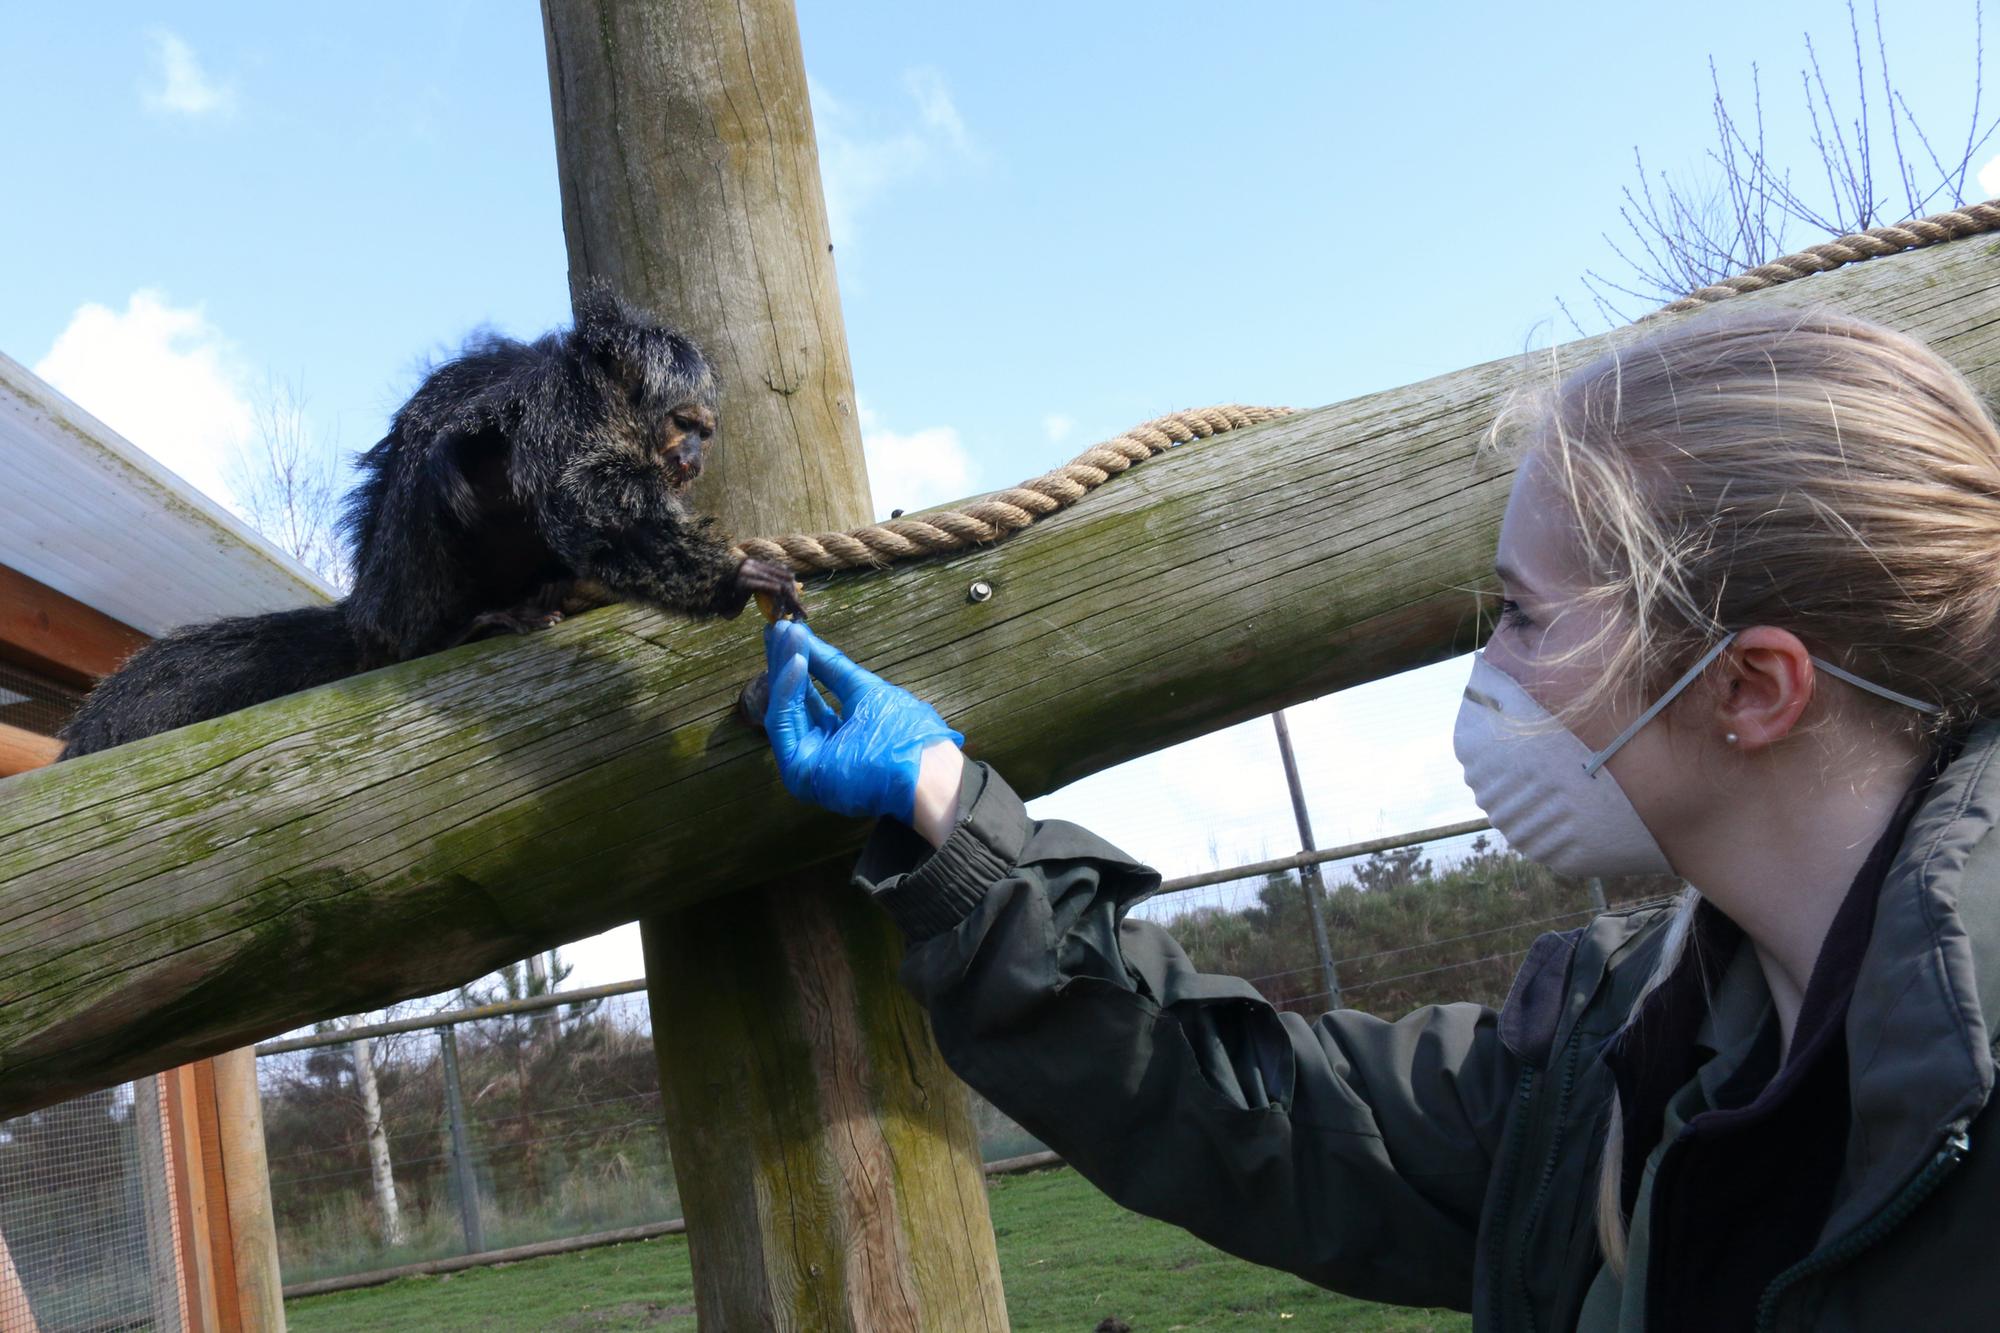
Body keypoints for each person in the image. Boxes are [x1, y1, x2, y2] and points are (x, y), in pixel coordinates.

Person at [757, 306, 2000, 1332]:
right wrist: (948, 818)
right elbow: (1284, 1124)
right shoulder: (1642, 1032)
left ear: (1749, 686)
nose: (1490, 669)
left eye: (1523, 616)